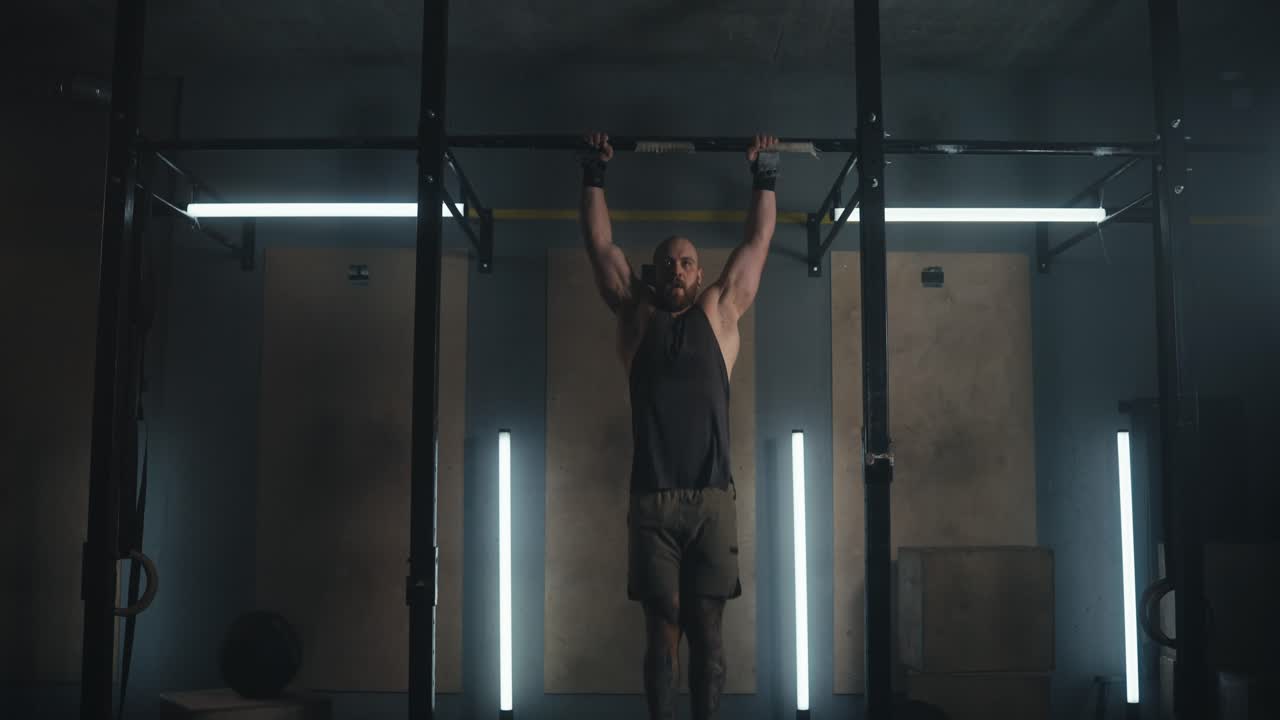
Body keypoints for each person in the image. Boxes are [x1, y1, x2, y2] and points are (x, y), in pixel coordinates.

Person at [577, 131, 778, 720]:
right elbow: (600, 245)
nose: (677, 269)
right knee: (662, 622)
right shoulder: (637, 316)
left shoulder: (721, 311)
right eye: (667, 262)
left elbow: (758, 240)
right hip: (653, 499)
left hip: (713, 496)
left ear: (700, 272)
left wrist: (764, 173)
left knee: (708, 627)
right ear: (656, 272)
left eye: (687, 262)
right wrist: (594, 171)